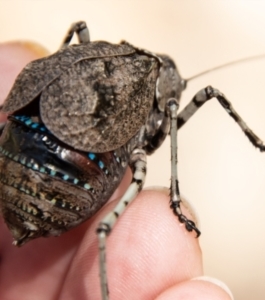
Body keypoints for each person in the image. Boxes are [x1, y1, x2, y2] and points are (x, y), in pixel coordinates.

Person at [0, 42, 233, 300]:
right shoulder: (155, 93)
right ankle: (174, 198)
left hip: (21, 158)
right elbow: (173, 111)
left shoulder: (114, 64)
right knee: (127, 199)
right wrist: (174, 200)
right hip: (55, 178)